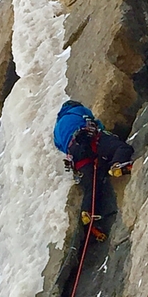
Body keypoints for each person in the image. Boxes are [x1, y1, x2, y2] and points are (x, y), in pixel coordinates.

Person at [54, 100, 134, 241]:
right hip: (89, 139)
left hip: (75, 155)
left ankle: (88, 212)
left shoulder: (57, 129)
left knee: (92, 185)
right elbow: (96, 124)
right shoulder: (78, 110)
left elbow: (60, 146)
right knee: (122, 148)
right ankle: (118, 164)